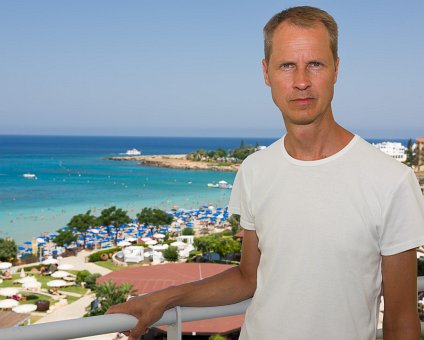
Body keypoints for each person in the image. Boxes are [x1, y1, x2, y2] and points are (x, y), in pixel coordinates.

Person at [107, 6, 424, 340]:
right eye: (287, 65)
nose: (301, 81)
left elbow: (401, 321)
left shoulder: (392, 181)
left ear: (336, 70)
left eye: (314, 64)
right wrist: (162, 297)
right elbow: (248, 277)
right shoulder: (254, 170)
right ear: (266, 72)